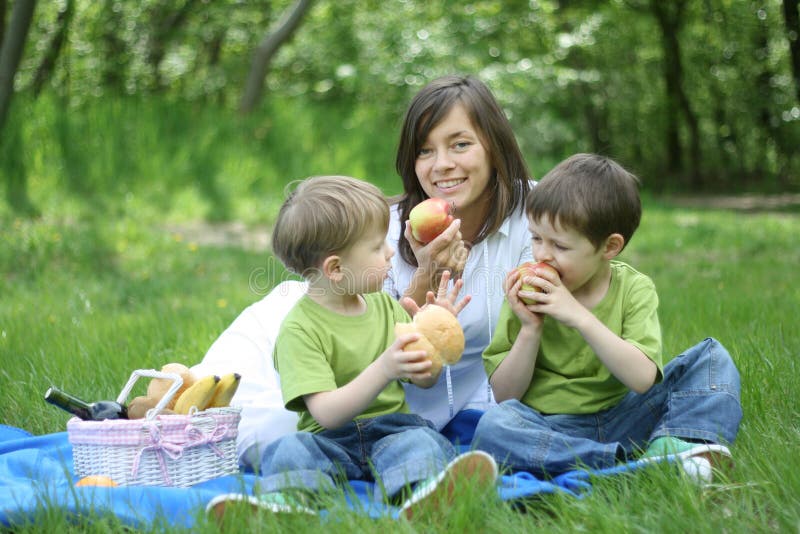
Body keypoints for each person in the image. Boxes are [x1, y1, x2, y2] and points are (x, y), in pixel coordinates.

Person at [208, 175, 498, 518]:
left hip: (393, 430)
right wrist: (385, 367)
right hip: (330, 441)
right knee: (289, 451)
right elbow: (327, 414)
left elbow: (423, 379)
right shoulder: (299, 329)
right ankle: (289, 506)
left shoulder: (386, 306)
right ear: (335, 268)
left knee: (421, 442)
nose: (391, 252)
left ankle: (423, 497)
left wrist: (432, 339)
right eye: (377, 247)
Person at [472, 153, 743, 481]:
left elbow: (642, 379)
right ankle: (626, 464)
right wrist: (530, 329)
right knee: (493, 427)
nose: (542, 254)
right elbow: (505, 395)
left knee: (712, 359)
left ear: (609, 247)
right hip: (550, 425)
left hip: (625, 416)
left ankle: (673, 444)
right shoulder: (526, 293)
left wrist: (578, 316)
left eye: (560, 245)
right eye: (536, 238)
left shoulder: (634, 289)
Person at [385, 74, 533, 431]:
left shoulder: (537, 211)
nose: (441, 165)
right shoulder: (385, 231)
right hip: (406, 422)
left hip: (508, 411)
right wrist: (425, 276)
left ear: (493, 146)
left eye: (460, 144)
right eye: (425, 150)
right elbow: (374, 362)